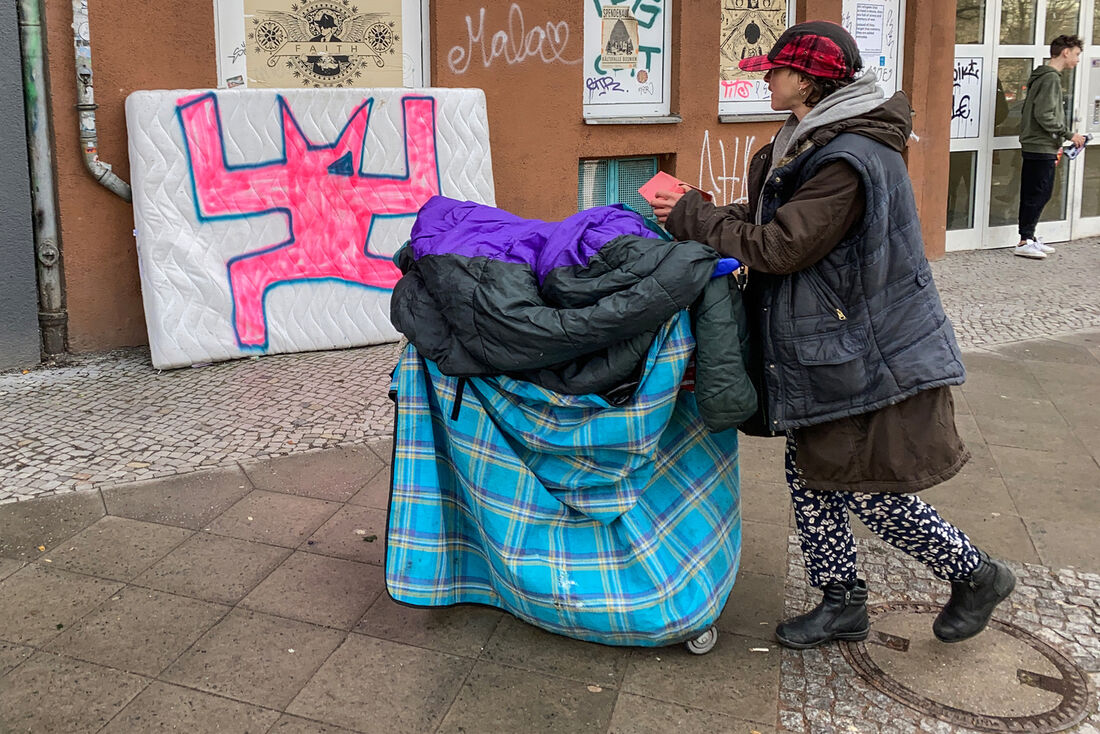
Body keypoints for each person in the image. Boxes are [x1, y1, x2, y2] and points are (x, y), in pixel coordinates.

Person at [650, 21, 1016, 649]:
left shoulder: (848, 156)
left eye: (775, 71)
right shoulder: (809, 138)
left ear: (807, 81)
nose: (765, 78)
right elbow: (776, 215)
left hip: (865, 350)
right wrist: (708, 211)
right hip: (830, 344)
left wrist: (696, 220)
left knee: (866, 488)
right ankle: (841, 601)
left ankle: (975, 574)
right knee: (814, 473)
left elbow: (784, 245)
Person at [1014, 35, 1086, 260]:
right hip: (1040, 144)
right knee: (1038, 192)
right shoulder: (1050, 78)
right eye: (1076, 55)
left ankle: (1029, 237)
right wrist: (1068, 134)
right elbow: (1044, 114)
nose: (1077, 60)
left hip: (1039, 143)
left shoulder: (1044, 76)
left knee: (1037, 191)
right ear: (1065, 52)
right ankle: (1025, 240)